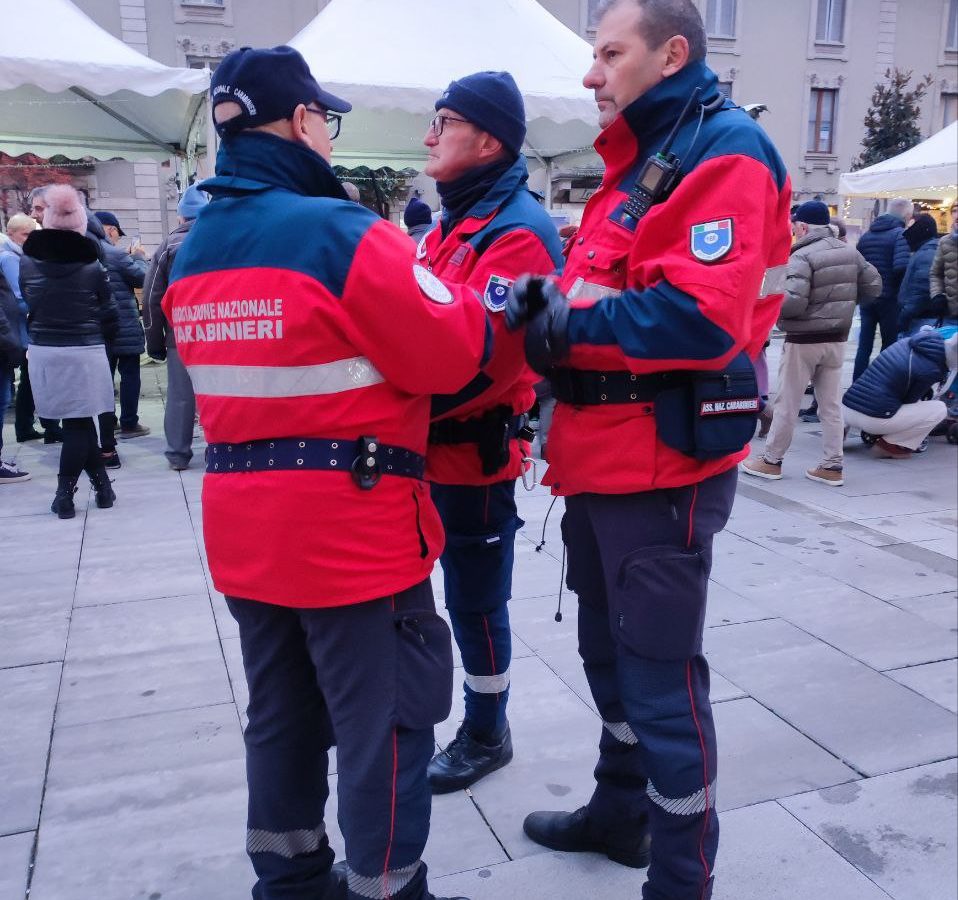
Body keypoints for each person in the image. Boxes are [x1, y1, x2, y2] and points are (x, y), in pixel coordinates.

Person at [162, 45, 486, 900]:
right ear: (303, 122)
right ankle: (386, 888)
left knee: (280, 717)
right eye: (326, 121)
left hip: (245, 531)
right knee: (383, 724)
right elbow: (450, 357)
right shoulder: (342, 233)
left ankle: (289, 878)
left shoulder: (194, 251)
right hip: (353, 531)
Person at [504, 2, 792, 898]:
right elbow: (615, 284)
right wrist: (550, 297)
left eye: (609, 54)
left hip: (660, 465)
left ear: (672, 54)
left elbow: (699, 315)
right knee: (609, 656)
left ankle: (680, 877)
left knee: (662, 682)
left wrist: (562, 324)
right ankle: (619, 813)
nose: (592, 74)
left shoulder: (725, 151)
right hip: (607, 457)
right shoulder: (647, 161)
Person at [418, 71, 565, 793]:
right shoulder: (452, 224)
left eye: (441, 122)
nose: (428, 137)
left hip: (471, 458)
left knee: (477, 603)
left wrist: (391, 407)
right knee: (431, 594)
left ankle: (487, 730)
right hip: (423, 455)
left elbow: (483, 364)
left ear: (488, 138)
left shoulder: (519, 233)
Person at [742, 201, 881, 486]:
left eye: (794, 226)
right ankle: (832, 465)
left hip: (804, 339)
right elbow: (874, 286)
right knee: (830, 405)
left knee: (787, 403)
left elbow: (793, 303)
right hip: (836, 340)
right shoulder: (849, 251)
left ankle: (771, 460)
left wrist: (770, 300)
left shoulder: (802, 255)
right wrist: (843, 307)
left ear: (803, 226)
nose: (793, 231)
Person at [19, 185, 119, 518]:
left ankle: (104, 488)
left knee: (76, 421)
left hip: (44, 349)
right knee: (79, 424)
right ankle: (64, 495)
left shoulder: (27, 263)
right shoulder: (92, 266)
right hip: (85, 350)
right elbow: (110, 311)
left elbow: (29, 302)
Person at [142, 183, 210, 470]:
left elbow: (151, 298)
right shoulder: (221, 240)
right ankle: (218, 449)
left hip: (180, 333)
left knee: (181, 396)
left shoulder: (168, 246)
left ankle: (178, 454)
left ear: (181, 217)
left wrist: (154, 341)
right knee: (217, 393)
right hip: (222, 330)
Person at [843, 328, 957, 458]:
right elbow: (909, 401)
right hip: (873, 419)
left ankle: (838, 433)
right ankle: (891, 446)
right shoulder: (932, 369)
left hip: (847, 409)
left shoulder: (908, 342)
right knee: (939, 409)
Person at [4, 211, 61, 444]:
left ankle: (27, 426)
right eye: (24, 234)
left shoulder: (17, 256)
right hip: (24, 331)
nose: (29, 238)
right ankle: (47, 426)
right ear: (11, 234)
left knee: (31, 380)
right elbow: (19, 297)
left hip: (24, 330)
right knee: (37, 379)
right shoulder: (10, 258)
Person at [93, 209, 150, 439]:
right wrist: (138, 256)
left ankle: (108, 422)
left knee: (104, 377)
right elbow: (143, 277)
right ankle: (129, 422)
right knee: (129, 375)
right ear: (110, 229)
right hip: (123, 324)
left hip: (97, 328)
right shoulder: (116, 255)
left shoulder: (88, 253)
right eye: (116, 232)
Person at [853, 197, 912, 379]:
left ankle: (858, 381)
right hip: (889, 298)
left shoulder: (866, 236)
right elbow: (901, 267)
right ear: (906, 215)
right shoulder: (900, 234)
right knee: (889, 344)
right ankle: (881, 383)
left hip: (868, 297)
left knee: (864, 345)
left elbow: (858, 267)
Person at [897, 213, 941, 336]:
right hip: (920, 320)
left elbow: (921, 293)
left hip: (921, 322)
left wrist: (903, 318)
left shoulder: (927, 253)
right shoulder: (926, 251)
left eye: (910, 229)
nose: (906, 234)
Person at [929, 201, 957, 327]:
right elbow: (935, 273)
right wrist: (937, 295)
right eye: (955, 211)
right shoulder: (945, 242)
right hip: (951, 314)